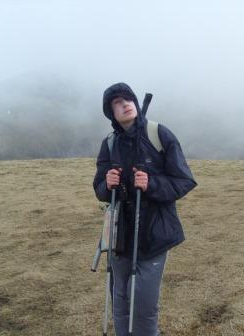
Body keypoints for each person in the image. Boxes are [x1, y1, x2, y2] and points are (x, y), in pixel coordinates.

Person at [93, 82, 197, 336]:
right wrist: (107, 184)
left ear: (136, 103)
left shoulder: (159, 134)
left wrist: (152, 184)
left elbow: (184, 181)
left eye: (128, 99)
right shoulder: (109, 144)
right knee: (120, 299)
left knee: (142, 304)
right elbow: (99, 188)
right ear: (111, 113)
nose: (125, 104)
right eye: (117, 102)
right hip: (120, 235)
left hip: (153, 233)